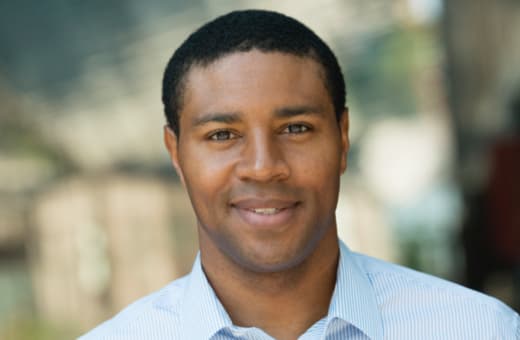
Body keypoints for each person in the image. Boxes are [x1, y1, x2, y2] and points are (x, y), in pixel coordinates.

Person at [79, 9, 519, 340]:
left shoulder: (479, 330)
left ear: (342, 138)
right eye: (222, 134)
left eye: (296, 128)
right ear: (175, 153)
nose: (264, 165)